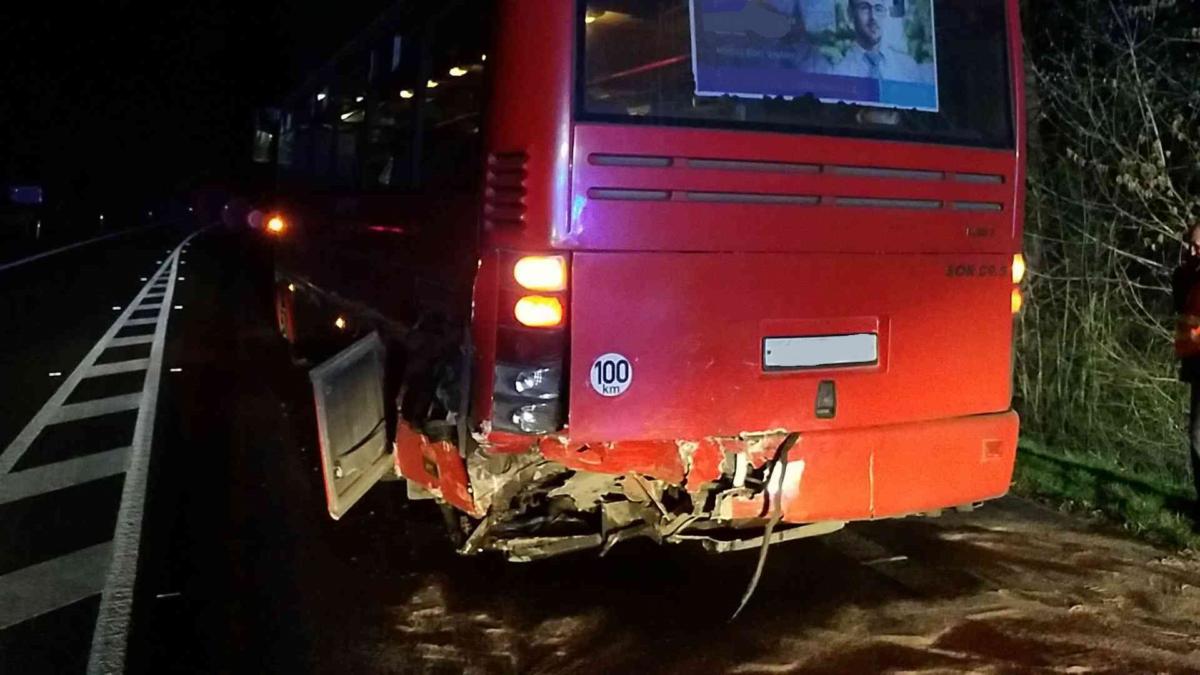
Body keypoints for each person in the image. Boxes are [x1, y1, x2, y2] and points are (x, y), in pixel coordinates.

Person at [1172, 223, 1200, 518]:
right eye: (1188, 245)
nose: (1191, 251)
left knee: (1198, 435)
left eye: (1196, 246)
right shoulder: (1188, 277)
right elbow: (1180, 305)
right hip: (1195, 365)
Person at [833, 0, 933, 83]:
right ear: (850, 15)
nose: (873, 17)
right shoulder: (838, 73)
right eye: (865, 8)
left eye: (878, 9)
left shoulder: (907, 66)